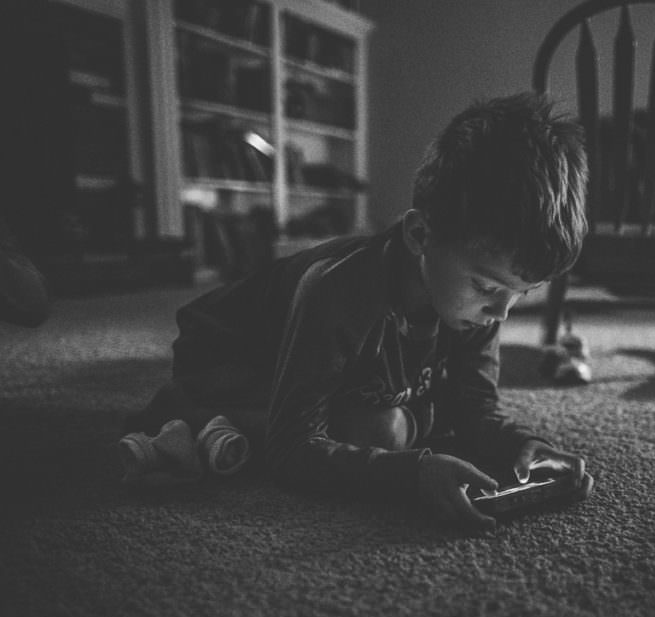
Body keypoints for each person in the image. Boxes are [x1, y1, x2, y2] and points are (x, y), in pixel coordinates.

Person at [119, 93, 593, 531]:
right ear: (419, 236)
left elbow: (475, 407)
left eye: (521, 293)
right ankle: (189, 409)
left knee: (392, 424)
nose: (502, 312)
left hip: (333, 365)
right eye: (488, 287)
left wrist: (521, 445)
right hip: (225, 353)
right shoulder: (339, 291)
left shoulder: (478, 301)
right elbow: (292, 448)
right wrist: (411, 475)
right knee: (377, 432)